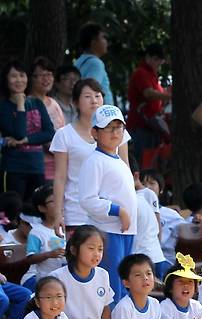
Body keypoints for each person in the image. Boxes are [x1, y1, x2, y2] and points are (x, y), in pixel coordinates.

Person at [51, 78, 130, 236]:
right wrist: (58, 213)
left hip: (112, 212)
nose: (94, 101)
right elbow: (60, 177)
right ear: (75, 102)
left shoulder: (118, 131)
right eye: (87, 96)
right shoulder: (64, 135)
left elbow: (125, 168)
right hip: (77, 212)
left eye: (98, 95)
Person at [78, 105, 137, 305]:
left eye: (119, 127)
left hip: (125, 233)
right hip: (108, 232)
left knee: (123, 283)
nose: (115, 132)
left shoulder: (119, 161)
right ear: (95, 132)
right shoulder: (94, 161)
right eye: (108, 128)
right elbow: (87, 199)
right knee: (111, 286)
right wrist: (117, 211)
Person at [50, 225, 116, 319]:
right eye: (91, 248)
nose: (96, 254)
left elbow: (105, 310)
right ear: (74, 250)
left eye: (100, 249)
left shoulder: (103, 275)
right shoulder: (58, 277)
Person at [0, 60, 54, 201]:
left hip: (36, 167)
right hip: (13, 168)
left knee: (36, 213)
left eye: (22, 75)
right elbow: (19, 133)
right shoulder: (3, 107)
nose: (19, 80)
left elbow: (49, 133)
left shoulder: (37, 103)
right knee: (13, 213)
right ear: (6, 80)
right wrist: (20, 104)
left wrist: (26, 140)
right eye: (14, 76)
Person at [126, 43, 171, 165]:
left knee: (150, 161)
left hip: (151, 127)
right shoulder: (141, 73)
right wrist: (170, 96)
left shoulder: (152, 75)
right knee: (142, 161)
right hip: (141, 125)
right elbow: (148, 93)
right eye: (156, 59)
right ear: (148, 57)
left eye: (160, 60)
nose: (158, 63)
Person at [24, 184, 67, 289]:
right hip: (45, 280)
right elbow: (30, 258)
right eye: (53, 201)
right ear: (42, 208)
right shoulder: (37, 232)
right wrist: (49, 254)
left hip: (65, 278)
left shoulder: (67, 227)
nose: (59, 204)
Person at [29, 57, 64, 180]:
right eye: (41, 75)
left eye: (49, 74)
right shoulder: (27, 103)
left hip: (58, 165)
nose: (46, 79)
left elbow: (62, 132)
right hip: (36, 165)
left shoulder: (54, 103)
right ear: (31, 78)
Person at [74, 22, 113, 105]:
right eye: (103, 38)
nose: (106, 42)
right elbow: (92, 91)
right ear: (93, 43)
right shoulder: (95, 64)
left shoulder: (79, 61)